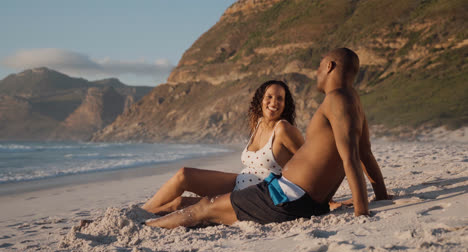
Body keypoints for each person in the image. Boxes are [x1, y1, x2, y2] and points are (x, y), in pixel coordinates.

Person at [145, 48, 390, 229]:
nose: (316, 72)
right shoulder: (353, 101)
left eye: (319, 66)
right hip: (293, 197)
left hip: (285, 196)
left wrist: (361, 213)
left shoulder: (336, 99)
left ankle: (148, 228)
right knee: (207, 207)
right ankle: (153, 218)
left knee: (205, 207)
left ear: (329, 67)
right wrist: (380, 196)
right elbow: (366, 154)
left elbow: (351, 158)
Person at [141, 80, 304, 215]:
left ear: (285, 104)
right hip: (238, 183)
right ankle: (142, 211)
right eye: (269, 96)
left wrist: (323, 200)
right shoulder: (259, 123)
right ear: (261, 100)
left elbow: (311, 163)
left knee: (178, 204)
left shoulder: (284, 129)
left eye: (280, 99)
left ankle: (142, 217)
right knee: (184, 175)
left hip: (254, 198)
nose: (274, 102)